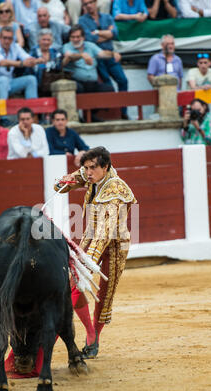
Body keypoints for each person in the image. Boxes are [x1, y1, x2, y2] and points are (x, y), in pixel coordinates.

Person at [54, 146, 136, 358]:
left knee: (105, 293)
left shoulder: (116, 190)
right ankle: (90, 331)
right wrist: (63, 183)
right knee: (75, 282)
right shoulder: (90, 175)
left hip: (116, 245)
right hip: (91, 237)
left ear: (105, 167)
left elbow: (105, 232)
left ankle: (94, 338)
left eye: (92, 168)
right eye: (86, 168)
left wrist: (87, 261)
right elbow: (64, 186)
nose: (88, 172)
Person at [79, 0, 129, 120]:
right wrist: (108, 33)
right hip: (98, 57)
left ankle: (123, 111)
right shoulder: (82, 20)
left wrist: (97, 32)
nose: (89, 5)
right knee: (108, 83)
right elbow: (89, 39)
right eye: (86, 4)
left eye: (90, 2)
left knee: (123, 80)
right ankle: (115, 111)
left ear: (96, 3)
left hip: (110, 55)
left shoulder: (107, 17)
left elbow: (115, 33)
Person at [0, 26, 38, 100]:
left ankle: (33, 109)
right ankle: (2, 111)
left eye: (9, 38)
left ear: (12, 39)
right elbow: (1, 62)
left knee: (31, 79)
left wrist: (38, 60)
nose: (7, 41)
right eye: (5, 38)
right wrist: (21, 64)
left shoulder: (15, 46)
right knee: (4, 80)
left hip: (10, 82)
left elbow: (27, 58)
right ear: (0, 38)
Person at [62, 25, 115, 94]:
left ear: (83, 37)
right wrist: (81, 55)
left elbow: (102, 53)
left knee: (108, 89)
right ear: (69, 38)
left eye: (78, 37)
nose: (75, 39)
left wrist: (113, 54)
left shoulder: (90, 45)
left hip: (93, 83)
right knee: (77, 88)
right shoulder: (67, 46)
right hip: (76, 82)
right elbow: (69, 56)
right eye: (73, 37)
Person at [29, 29, 64, 97]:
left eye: (48, 40)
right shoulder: (33, 52)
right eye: (44, 40)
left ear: (51, 42)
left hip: (52, 84)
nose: (46, 42)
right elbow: (29, 68)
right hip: (38, 85)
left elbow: (59, 67)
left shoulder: (54, 52)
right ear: (38, 41)